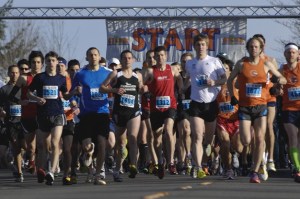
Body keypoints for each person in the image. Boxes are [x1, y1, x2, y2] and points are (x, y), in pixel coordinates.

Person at [227, 37, 286, 183]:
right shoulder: (241, 64)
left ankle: (255, 170)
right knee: (246, 140)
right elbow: (230, 80)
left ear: (261, 49)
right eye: (251, 47)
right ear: (248, 48)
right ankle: (257, 161)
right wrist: (233, 97)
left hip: (261, 106)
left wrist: (278, 81)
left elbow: (282, 78)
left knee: (260, 138)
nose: (254, 49)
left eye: (256, 47)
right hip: (245, 107)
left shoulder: (266, 64)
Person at [27, 51, 76, 185]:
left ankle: (52, 172)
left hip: (58, 114)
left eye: (53, 60)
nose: (50, 63)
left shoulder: (61, 78)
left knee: (55, 143)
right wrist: (37, 98)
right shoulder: (39, 78)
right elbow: (29, 92)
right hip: (43, 115)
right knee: (43, 146)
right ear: (45, 63)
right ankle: (41, 170)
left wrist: (73, 93)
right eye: (48, 61)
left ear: (57, 62)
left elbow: (65, 95)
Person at [185, 34, 227, 179]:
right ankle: (197, 167)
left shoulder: (215, 61)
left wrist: (214, 83)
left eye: (203, 44)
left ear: (207, 46)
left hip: (211, 103)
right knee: (197, 136)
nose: (200, 47)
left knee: (208, 141)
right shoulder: (190, 63)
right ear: (194, 46)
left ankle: (204, 162)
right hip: (196, 103)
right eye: (198, 44)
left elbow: (224, 78)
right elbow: (186, 79)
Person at [71, 47, 112, 185]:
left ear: (99, 57)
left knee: (102, 144)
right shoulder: (80, 74)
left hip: (102, 113)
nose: (93, 57)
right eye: (90, 55)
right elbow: (70, 93)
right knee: (87, 146)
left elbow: (122, 82)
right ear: (86, 57)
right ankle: (89, 164)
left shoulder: (108, 72)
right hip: (87, 114)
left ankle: (98, 175)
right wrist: (74, 93)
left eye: (95, 54)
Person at [101, 50, 143, 182]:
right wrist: (114, 90)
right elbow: (102, 88)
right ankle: (117, 169)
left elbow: (140, 88)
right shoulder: (115, 74)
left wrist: (144, 89)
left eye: (129, 58)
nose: (127, 60)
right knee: (121, 144)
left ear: (133, 60)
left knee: (133, 137)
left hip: (134, 111)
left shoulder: (138, 76)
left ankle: (133, 165)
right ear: (121, 60)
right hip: (120, 112)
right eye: (124, 58)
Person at [143, 46, 183, 179]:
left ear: (166, 56)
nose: (160, 58)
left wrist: (180, 89)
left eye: (162, 55)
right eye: (157, 56)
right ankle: (160, 162)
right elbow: (141, 85)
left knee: (168, 129)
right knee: (156, 138)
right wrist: (144, 89)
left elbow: (179, 78)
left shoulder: (172, 69)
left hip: (170, 106)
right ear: (154, 58)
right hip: (155, 109)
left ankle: (171, 161)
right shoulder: (150, 71)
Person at [8, 51, 44, 176]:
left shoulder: (45, 77)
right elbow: (12, 95)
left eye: (38, 62)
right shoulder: (24, 78)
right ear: (30, 64)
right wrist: (20, 101)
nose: (36, 64)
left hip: (42, 115)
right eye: (33, 62)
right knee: (31, 147)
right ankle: (31, 160)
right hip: (28, 115)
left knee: (41, 144)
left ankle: (41, 169)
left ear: (42, 64)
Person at [253, 34, 279, 176]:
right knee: (257, 131)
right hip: (255, 99)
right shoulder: (249, 61)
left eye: (261, 44)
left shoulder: (270, 60)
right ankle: (259, 158)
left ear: (264, 45)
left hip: (269, 97)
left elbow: (277, 77)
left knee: (269, 126)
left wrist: (275, 85)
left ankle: (270, 158)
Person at [215, 52, 243, 179]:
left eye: (226, 69)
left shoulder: (236, 83)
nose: (224, 71)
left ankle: (235, 153)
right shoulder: (216, 85)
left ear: (231, 70)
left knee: (238, 146)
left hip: (235, 119)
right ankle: (228, 169)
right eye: (222, 69)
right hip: (222, 119)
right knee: (225, 143)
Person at [278, 43, 300, 182]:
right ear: (285, 54)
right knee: (293, 137)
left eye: (293, 52)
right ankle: (297, 168)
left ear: (298, 54)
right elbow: (276, 86)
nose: (291, 55)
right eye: (288, 52)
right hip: (288, 109)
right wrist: (278, 88)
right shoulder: (282, 70)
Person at [57, 57, 80, 185]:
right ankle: (52, 168)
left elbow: (73, 98)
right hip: (54, 118)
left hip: (69, 118)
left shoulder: (71, 81)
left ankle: (68, 174)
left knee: (69, 149)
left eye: (62, 65)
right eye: (58, 65)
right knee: (53, 146)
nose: (59, 67)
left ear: (64, 67)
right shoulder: (50, 80)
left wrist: (75, 104)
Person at [0, 65, 25, 182]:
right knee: (16, 146)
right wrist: (2, 112)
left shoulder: (24, 89)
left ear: (19, 74)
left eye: (16, 73)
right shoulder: (4, 90)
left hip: (24, 121)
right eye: (12, 73)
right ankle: (19, 172)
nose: (14, 75)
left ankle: (29, 161)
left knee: (25, 146)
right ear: (9, 74)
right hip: (11, 122)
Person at [176, 52, 193, 175]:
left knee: (194, 135)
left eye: (188, 61)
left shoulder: (196, 75)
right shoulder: (178, 76)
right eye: (183, 61)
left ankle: (191, 157)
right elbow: (180, 91)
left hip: (195, 107)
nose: (185, 63)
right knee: (184, 132)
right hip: (182, 107)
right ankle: (185, 159)